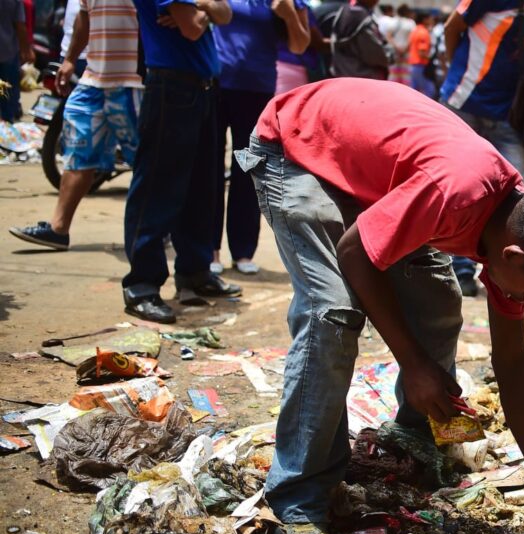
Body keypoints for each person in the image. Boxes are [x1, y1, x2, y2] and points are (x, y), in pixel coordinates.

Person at [236, 78, 524, 533]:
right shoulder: (457, 195)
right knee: (333, 313)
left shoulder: (514, 229)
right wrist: (413, 364)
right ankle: (301, 493)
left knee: (439, 303)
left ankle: (410, 440)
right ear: (514, 257)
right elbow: (355, 252)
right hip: (296, 146)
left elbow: (512, 359)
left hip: (371, 172)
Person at [121, 0, 240, 324]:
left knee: (202, 188)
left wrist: (202, 6)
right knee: (157, 189)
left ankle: (195, 271)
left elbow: (225, 14)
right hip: (171, 86)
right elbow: (192, 28)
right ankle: (141, 286)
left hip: (200, 89)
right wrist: (207, 9)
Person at [440, 0, 524, 296]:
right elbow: (452, 28)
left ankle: (516, 273)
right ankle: (460, 270)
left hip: (508, 113)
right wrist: (457, 70)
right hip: (462, 102)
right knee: (460, 188)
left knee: (521, 191)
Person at [9, 0, 143, 251]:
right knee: (79, 152)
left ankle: (154, 228)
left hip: (133, 82)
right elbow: (84, 16)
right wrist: (70, 59)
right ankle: (59, 229)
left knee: (146, 159)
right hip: (93, 79)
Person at [210, 0, 309, 276]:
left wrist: (288, 15)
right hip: (215, 84)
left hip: (257, 89)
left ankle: (242, 251)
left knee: (248, 170)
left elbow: (300, 45)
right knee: (210, 169)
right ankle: (209, 250)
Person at [327, 0, 391, 80]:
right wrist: (389, 57)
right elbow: (373, 54)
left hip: (343, 73)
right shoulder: (360, 16)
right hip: (364, 77)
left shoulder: (345, 10)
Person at [0, 0, 34, 122]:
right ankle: (6, 124)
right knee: (7, 95)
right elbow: (20, 25)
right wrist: (27, 50)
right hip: (7, 52)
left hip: (8, 52)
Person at [408, 11, 433, 97]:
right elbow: (422, 52)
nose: (431, 20)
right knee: (429, 91)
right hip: (421, 65)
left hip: (414, 65)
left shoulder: (415, 30)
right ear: (424, 20)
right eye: (430, 19)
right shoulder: (423, 33)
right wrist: (431, 58)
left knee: (414, 92)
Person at [388, 3, 413, 84]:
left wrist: (396, 47)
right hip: (406, 52)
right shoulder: (411, 23)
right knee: (405, 76)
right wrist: (405, 49)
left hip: (394, 51)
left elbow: (389, 36)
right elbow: (412, 38)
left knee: (393, 74)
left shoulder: (392, 21)